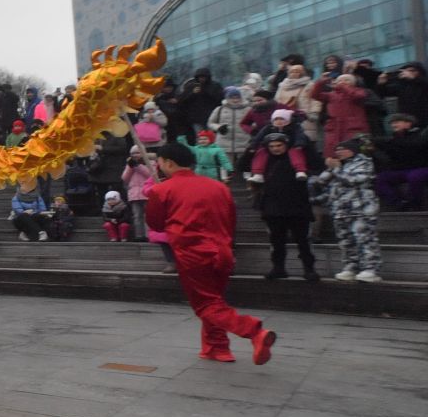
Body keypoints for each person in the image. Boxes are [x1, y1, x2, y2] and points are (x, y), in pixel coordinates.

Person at [147, 142, 275, 364]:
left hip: (192, 254)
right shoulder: (218, 187)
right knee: (214, 301)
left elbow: (155, 225)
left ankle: (254, 331)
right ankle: (217, 348)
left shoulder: (162, 189)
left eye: (159, 162)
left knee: (206, 305)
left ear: (168, 163)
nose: (158, 166)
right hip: (222, 251)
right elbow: (231, 220)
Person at [247, 131, 317, 282]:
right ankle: (278, 268)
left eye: (279, 145)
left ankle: (309, 268)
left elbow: (315, 161)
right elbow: (243, 164)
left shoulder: (297, 157)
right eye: (272, 146)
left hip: (297, 207)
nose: (275, 149)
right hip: (273, 208)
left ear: (286, 145)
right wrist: (253, 146)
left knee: (303, 241)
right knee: (276, 241)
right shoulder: (264, 159)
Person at [313, 134, 382, 282]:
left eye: (343, 149)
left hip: (361, 209)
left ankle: (370, 269)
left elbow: (353, 181)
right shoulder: (339, 165)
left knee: (364, 239)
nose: (339, 152)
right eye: (337, 150)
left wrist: (337, 169)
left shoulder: (364, 163)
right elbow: (322, 183)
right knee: (345, 241)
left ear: (352, 150)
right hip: (341, 210)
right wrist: (330, 170)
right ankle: (351, 267)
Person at [376, 113, 428, 210]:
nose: (393, 125)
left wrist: (386, 142)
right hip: (403, 170)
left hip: (422, 168)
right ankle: (398, 204)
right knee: (382, 178)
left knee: (415, 176)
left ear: (408, 124)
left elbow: (414, 145)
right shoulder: (392, 140)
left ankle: (415, 205)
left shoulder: (420, 135)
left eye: (397, 122)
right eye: (392, 123)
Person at [123, 148, 155, 240]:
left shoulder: (151, 162)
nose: (135, 155)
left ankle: (149, 235)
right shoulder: (130, 164)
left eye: (137, 153)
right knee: (137, 216)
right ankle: (139, 235)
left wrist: (138, 166)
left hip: (147, 193)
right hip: (134, 194)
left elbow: (151, 175)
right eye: (133, 153)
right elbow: (125, 178)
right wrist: (130, 167)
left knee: (148, 215)